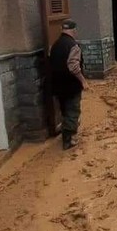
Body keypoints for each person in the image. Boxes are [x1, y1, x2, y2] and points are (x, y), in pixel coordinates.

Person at [50, 19, 88, 150]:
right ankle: (68, 140)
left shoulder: (55, 44)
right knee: (72, 111)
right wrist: (83, 81)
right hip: (71, 85)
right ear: (74, 30)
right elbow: (73, 67)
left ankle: (65, 132)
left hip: (58, 85)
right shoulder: (73, 46)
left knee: (65, 110)